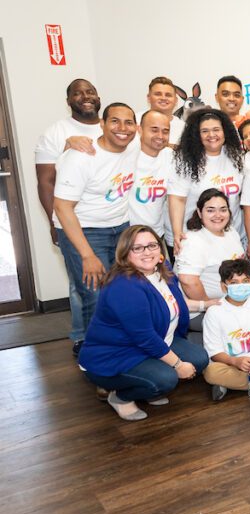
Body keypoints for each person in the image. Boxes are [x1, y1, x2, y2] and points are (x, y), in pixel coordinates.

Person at [79, 225, 208, 421]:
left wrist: (207, 304)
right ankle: (121, 397)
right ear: (125, 254)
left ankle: (149, 387)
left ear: (160, 248)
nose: (147, 252)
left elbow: (176, 304)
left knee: (199, 359)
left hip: (159, 340)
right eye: (137, 248)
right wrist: (178, 364)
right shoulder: (124, 286)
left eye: (152, 245)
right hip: (117, 353)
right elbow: (144, 337)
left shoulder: (163, 272)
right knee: (167, 378)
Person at [53, 103, 139, 334]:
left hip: (120, 228)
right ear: (102, 124)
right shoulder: (81, 156)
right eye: (115, 121)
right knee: (95, 293)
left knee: (121, 291)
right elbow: (62, 207)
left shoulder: (133, 146)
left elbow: (161, 142)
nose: (122, 128)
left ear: (136, 127)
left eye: (129, 122)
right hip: (84, 231)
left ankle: (116, 346)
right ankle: (93, 355)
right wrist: (87, 254)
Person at [35, 79, 102, 352]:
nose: (85, 97)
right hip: (72, 219)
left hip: (110, 219)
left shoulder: (111, 126)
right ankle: (83, 340)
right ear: (69, 100)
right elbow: (45, 181)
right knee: (84, 284)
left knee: (95, 284)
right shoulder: (56, 132)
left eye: (90, 92)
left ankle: (89, 336)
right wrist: (54, 220)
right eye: (78, 93)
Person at [168, 108, 245, 251]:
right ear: (197, 135)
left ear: (225, 132)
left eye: (216, 129)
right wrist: (177, 233)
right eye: (204, 131)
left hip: (231, 236)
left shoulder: (236, 156)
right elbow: (177, 198)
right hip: (195, 238)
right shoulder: (185, 160)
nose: (211, 135)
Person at [202, 258, 250, 401]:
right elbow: (214, 352)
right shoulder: (214, 311)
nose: (241, 285)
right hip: (229, 363)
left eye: (245, 281)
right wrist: (235, 362)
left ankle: (234, 384)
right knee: (211, 372)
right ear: (224, 286)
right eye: (234, 283)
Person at [174, 189, 245, 330]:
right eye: (210, 210)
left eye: (223, 209)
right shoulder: (193, 241)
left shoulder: (231, 232)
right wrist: (209, 306)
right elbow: (188, 281)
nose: (218, 215)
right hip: (199, 311)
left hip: (230, 301)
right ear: (200, 213)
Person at [129, 111, 175, 248]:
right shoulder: (127, 155)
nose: (160, 136)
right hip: (127, 236)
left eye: (165, 131)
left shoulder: (171, 157)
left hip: (156, 235)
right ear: (140, 129)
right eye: (154, 130)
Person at [143, 76, 186, 146]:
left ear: (176, 100)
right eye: (158, 94)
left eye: (168, 95)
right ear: (149, 98)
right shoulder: (135, 121)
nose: (163, 98)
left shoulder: (184, 128)